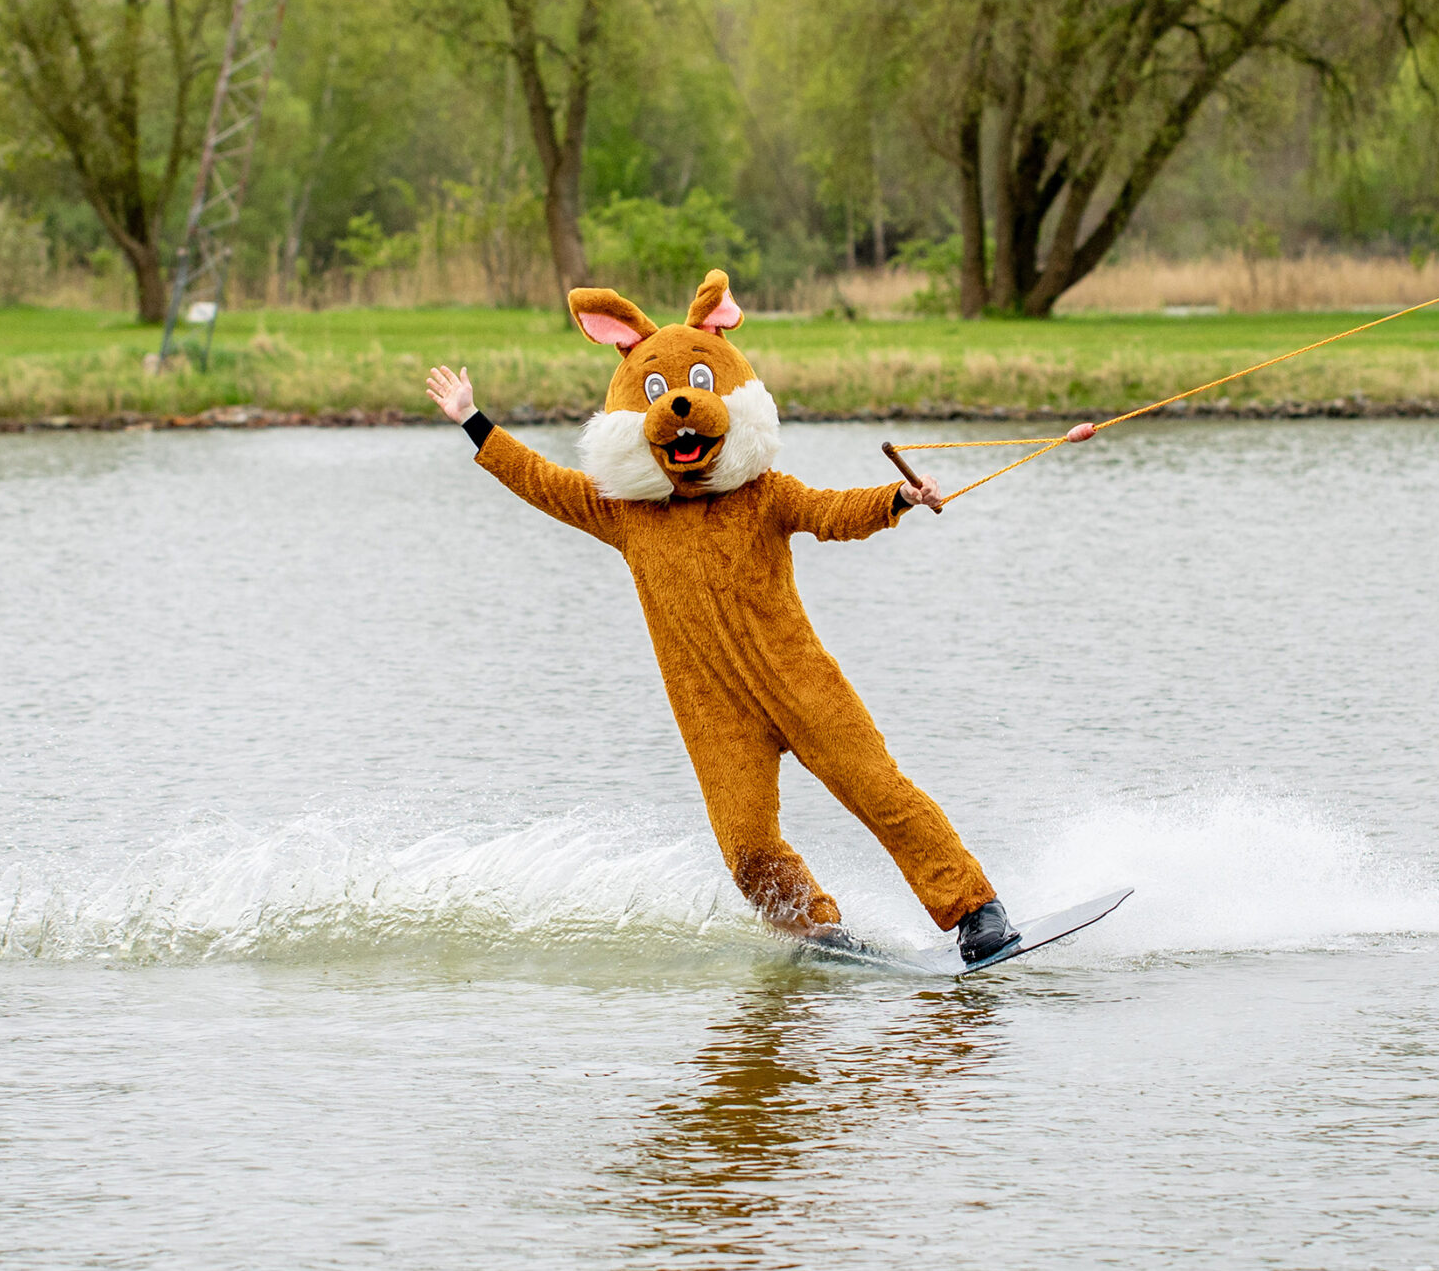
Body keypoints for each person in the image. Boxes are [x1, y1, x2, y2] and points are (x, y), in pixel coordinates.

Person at [425, 270, 1019, 963]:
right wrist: (472, 418)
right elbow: (539, 480)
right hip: (714, 712)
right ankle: (815, 928)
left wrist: (899, 498)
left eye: (699, 390)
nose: (679, 411)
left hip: (801, 682)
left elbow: (831, 511)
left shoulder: (764, 495)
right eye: (658, 397)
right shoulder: (623, 513)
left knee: (877, 790)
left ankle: (977, 909)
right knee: (745, 845)